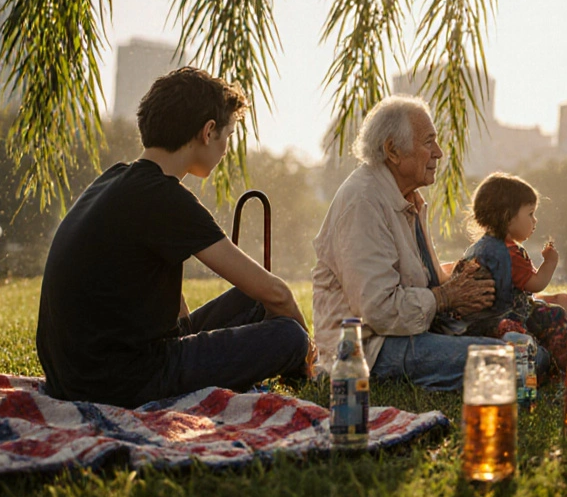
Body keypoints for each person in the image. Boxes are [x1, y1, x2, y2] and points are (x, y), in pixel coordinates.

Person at [36, 67, 315, 409]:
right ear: (208, 132)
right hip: (123, 379)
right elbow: (277, 292)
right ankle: (303, 363)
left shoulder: (118, 179)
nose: (227, 148)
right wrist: (306, 349)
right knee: (289, 336)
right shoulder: (164, 197)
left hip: (75, 373)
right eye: (228, 136)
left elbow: (173, 288)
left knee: (253, 301)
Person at [311, 95, 506, 390]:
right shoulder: (363, 201)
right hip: (368, 351)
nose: (439, 153)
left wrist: (462, 281)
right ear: (393, 150)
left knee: (524, 342)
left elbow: (421, 281)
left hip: (408, 333)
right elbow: (379, 310)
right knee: (514, 362)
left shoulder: (406, 198)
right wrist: (445, 298)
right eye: (429, 142)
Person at [457, 172, 567, 381]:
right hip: (509, 318)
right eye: (530, 214)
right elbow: (535, 284)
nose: (535, 220)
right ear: (507, 216)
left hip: (479, 328)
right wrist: (549, 263)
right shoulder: (510, 253)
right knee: (555, 316)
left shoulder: (474, 250)